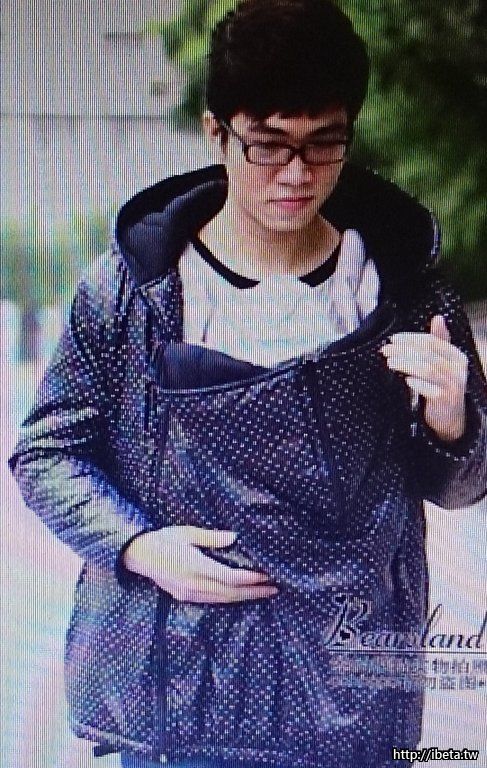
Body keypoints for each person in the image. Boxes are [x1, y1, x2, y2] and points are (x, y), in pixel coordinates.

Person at [9, 1, 487, 767]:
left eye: (323, 143)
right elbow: (47, 454)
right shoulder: (133, 291)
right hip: (179, 692)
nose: (296, 173)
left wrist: (451, 418)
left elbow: (460, 486)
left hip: (352, 696)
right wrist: (138, 546)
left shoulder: (403, 289)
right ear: (216, 133)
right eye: (267, 144)